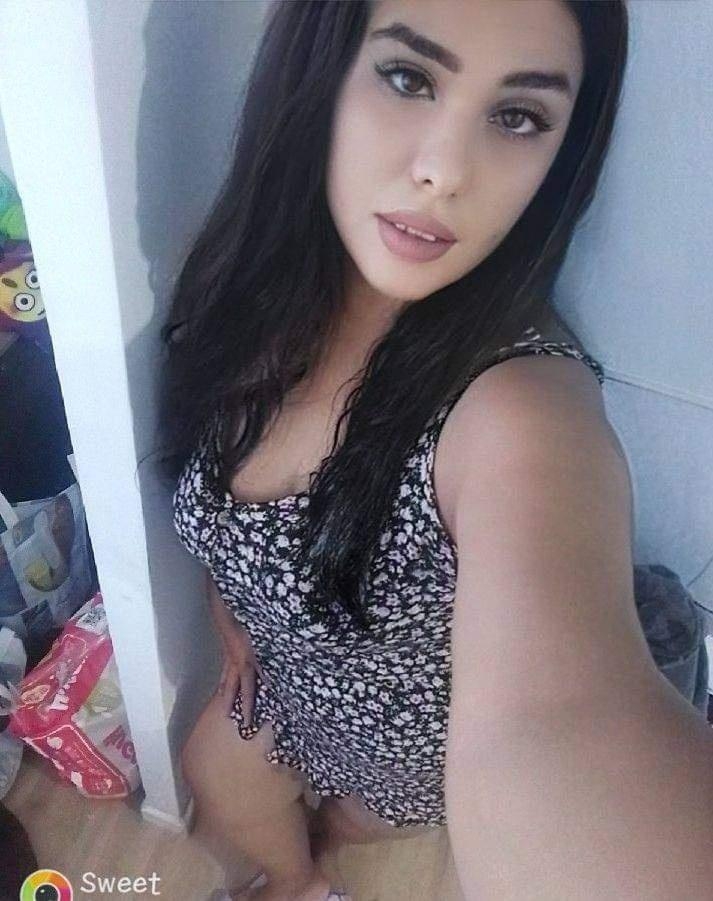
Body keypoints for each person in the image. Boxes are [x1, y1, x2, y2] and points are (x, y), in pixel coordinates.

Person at [159, 2, 713, 899]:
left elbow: (566, 721)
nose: (444, 172)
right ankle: (298, 884)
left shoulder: (518, 411)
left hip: (402, 748)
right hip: (285, 682)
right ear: (319, 72)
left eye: (517, 116)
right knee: (214, 775)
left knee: (349, 822)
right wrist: (231, 607)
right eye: (407, 77)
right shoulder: (242, 297)